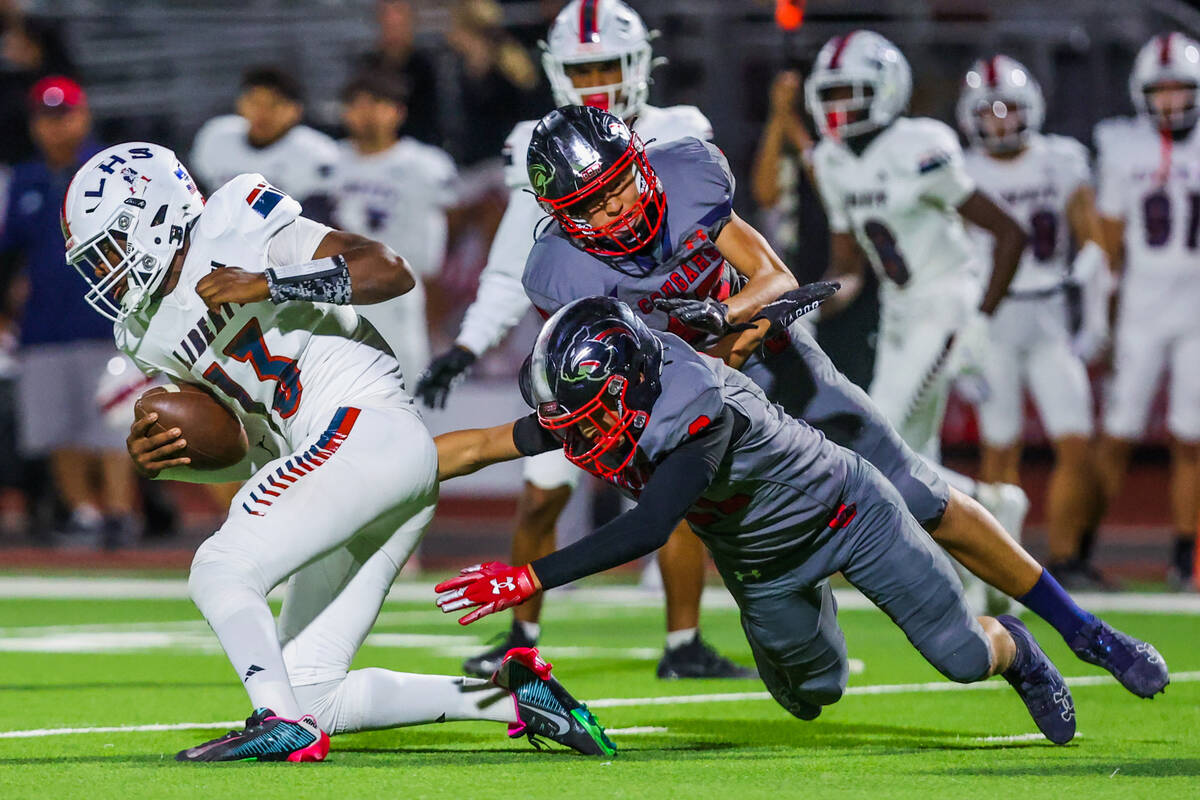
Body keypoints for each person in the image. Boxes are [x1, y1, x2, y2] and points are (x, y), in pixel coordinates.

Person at [517, 103, 1168, 700]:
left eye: (622, 185)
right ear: (562, 217)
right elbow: (614, 378)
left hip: (778, 367)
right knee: (776, 602)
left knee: (919, 493)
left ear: (642, 161)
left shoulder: (686, 174)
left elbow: (775, 277)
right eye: (592, 207)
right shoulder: (560, 272)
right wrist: (705, 359)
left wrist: (728, 313)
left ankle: (1082, 629)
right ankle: (770, 644)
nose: (619, 212)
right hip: (699, 413)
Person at [61, 142, 613, 761]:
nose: (106, 268)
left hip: (364, 428)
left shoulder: (237, 219)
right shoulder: (144, 333)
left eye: (112, 244)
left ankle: (274, 720)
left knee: (222, 567)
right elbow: (249, 449)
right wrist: (165, 458)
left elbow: (388, 269)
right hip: (355, 464)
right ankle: (511, 699)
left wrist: (269, 281)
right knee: (315, 692)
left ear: (157, 213)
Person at [433, 296, 1089, 744]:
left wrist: (526, 579)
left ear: (633, 384)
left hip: (848, 514)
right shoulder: (604, 406)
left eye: (590, 417)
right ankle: (814, 610)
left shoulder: (694, 409)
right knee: (810, 697)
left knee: (963, 657)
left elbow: (649, 527)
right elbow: (479, 445)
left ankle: (1019, 651)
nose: (580, 437)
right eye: (569, 424)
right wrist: (371, 468)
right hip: (763, 559)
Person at [420, 0, 746, 681]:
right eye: (582, 69)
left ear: (637, 65)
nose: (597, 83)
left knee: (676, 497)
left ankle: (683, 642)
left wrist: (731, 314)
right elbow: (516, 261)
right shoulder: (542, 144)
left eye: (607, 66)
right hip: (583, 360)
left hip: (672, 349)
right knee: (543, 490)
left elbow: (720, 239)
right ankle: (519, 638)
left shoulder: (679, 135)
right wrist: (469, 345)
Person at [955, 55, 1114, 589]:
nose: (1000, 121)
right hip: (993, 320)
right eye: (990, 111)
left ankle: (1067, 560)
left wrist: (1094, 310)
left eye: (1009, 109)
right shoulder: (962, 169)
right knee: (999, 448)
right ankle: (1001, 567)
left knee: (1076, 442)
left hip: (1049, 312)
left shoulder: (1061, 159)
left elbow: (1091, 238)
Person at [0, 76, 138, 548]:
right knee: (58, 427)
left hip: (107, 321)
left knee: (114, 422)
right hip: (44, 323)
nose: (54, 127)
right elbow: (10, 252)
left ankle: (121, 514)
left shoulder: (114, 172)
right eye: (45, 117)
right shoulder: (26, 178)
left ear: (83, 115)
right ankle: (85, 513)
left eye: (63, 116)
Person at [1094, 32, 1200, 592]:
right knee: (1117, 434)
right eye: (1161, 91)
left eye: (1181, 90)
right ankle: (1078, 549)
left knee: (1190, 438)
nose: (1172, 103)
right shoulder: (1122, 145)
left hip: (1197, 310)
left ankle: (1184, 556)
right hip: (1141, 305)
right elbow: (1110, 245)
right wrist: (1101, 318)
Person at [320, 72, 457, 385]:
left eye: (377, 103)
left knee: (404, 384)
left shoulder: (424, 164)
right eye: (357, 104)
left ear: (398, 110)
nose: (366, 112)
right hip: (336, 288)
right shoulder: (326, 162)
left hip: (398, 288)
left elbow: (448, 230)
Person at [189, 66, 337, 201]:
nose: (262, 112)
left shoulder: (315, 153)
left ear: (295, 110)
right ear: (240, 103)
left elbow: (317, 218)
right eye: (254, 102)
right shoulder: (217, 135)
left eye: (273, 104)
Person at [354, 0, 443, 147]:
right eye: (388, 24)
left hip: (419, 144)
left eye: (398, 24)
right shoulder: (368, 65)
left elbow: (434, 116)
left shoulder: (427, 66)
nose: (393, 31)